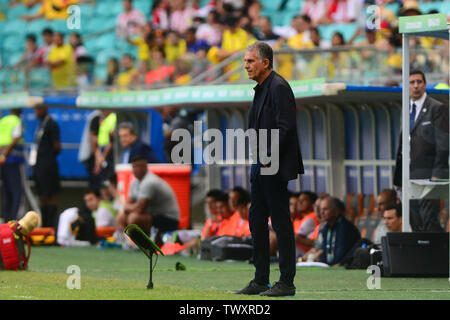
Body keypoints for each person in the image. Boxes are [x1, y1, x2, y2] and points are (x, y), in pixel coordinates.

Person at [237, 41, 303, 297]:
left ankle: (286, 282)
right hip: (260, 164)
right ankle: (260, 280)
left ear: (266, 62)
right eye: (245, 61)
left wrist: (268, 158)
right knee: (256, 221)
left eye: (250, 61)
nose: (246, 66)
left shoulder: (278, 87)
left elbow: (287, 128)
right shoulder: (263, 88)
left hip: (272, 165)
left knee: (281, 223)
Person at [393, 70, 449, 232]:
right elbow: (402, 145)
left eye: (419, 82)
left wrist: (437, 175)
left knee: (429, 221)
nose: (416, 86)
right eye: (412, 82)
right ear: (407, 86)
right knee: (414, 221)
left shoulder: (437, 108)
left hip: (428, 176)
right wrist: (398, 178)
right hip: (409, 176)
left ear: (425, 84)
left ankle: (440, 255)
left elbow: (443, 144)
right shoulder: (406, 109)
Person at [117, 155, 180, 236]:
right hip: (154, 216)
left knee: (133, 218)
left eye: (137, 167)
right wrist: (129, 207)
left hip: (169, 219)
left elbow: (140, 209)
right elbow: (128, 205)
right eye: (133, 167)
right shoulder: (134, 183)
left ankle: (140, 242)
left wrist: (129, 207)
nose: (135, 170)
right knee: (121, 216)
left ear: (144, 167)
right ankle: (124, 240)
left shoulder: (149, 182)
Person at [30, 104, 61, 230]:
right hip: (38, 166)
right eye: (35, 109)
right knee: (41, 195)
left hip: (48, 165)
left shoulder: (51, 124)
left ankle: (51, 227)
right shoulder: (40, 124)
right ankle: (44, 225)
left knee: (50, 195)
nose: (36, 112)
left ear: (45, 109)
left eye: (38, 109)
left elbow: (57, 146)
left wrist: (47, 158)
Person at [318, 197, 361, 266]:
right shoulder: (326, 228)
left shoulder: (345, 227)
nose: (322, 213)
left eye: (325, 209)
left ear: (336, 211)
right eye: (321, 209)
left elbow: (341, 255)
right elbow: (324, 251)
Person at [0, 109, 26, 222]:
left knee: (7, 191)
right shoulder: (17, 121)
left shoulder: (3, 121)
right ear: (20, 111)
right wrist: (5, 155)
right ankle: (14, 219)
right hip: (13, 160)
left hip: (3, 161)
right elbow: (15, 138)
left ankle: (6, 219)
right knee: (17, 191)